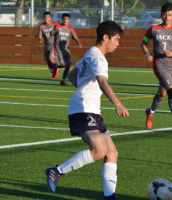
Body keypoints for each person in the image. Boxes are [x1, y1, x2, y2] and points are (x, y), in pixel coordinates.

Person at [45, 21, 129, 200]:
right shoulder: (98, 57)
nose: (118, 44)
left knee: (112, 153)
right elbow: (102, 81)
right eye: (116, 39)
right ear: (105, 37)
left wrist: (83, 89)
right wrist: (118, 103)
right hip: (83, 110)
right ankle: (56, 171)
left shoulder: (90, 53)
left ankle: (109, 196)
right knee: (98, 151)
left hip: (91, 110)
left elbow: (73, 75)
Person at [141, 2, 172, 132]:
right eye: (164, 14)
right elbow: (143, 43)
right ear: (161, 14)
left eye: (169, 15)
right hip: (159, 64)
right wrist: (147, 54)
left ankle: (150, 112)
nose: (166, 17)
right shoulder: (153, 29)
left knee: (162, 93)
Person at [52, 13, 82, 86]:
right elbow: (52, 34)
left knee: (68, 65)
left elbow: (75, 37)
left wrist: (79, 43)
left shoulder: (70, 29)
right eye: (64, 19)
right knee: (63, 65)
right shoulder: (57, 27)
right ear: (62, 20)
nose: (65, 20)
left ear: (69, 20)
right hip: (58, 50)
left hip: (66, 50)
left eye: (67, 19)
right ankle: (55, 66)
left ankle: (62, 80)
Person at [38, 11, 59, 79]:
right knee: (47, 59)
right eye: (45, 17)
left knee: (51, 57)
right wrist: (40, 39)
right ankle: (53, 72)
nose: (47, 19)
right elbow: (40, 36)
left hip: (54, 44)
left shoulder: (55, 24)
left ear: (51, 18)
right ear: (44, 18)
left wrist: (55, 32)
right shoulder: (41, 26)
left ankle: (56, 70)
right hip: (47, 45)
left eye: (48, 17)